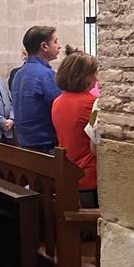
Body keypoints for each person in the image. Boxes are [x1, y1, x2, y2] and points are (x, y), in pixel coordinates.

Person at [52, 52, 99, 206]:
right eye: (94, 74)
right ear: (84, 76)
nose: (96, 79)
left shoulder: (58, 101)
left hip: (68, 171)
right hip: (88, 174)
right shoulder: (92, 105)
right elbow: (96, 145)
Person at [11, 25, 63, 152]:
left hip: (24, 143)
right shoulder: (46, 75)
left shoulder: (19, 73)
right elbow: (60, 108)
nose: (59, 46)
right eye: (55, 41)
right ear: (44, 46)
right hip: (45, 145)